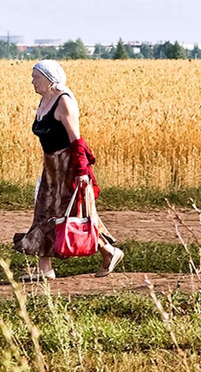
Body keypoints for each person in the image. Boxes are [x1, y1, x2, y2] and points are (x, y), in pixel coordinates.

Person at [13, 60, 123, 279]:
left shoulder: (64, 102)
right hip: (51, 167)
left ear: (49, 78)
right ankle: (45, 270)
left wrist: (82, 172)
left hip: (68, 167)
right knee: (44, 213)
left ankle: (109, 251)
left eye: (36, 77)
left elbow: (76, 141)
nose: (32, 81)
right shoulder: (45, 100)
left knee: (72, 215)